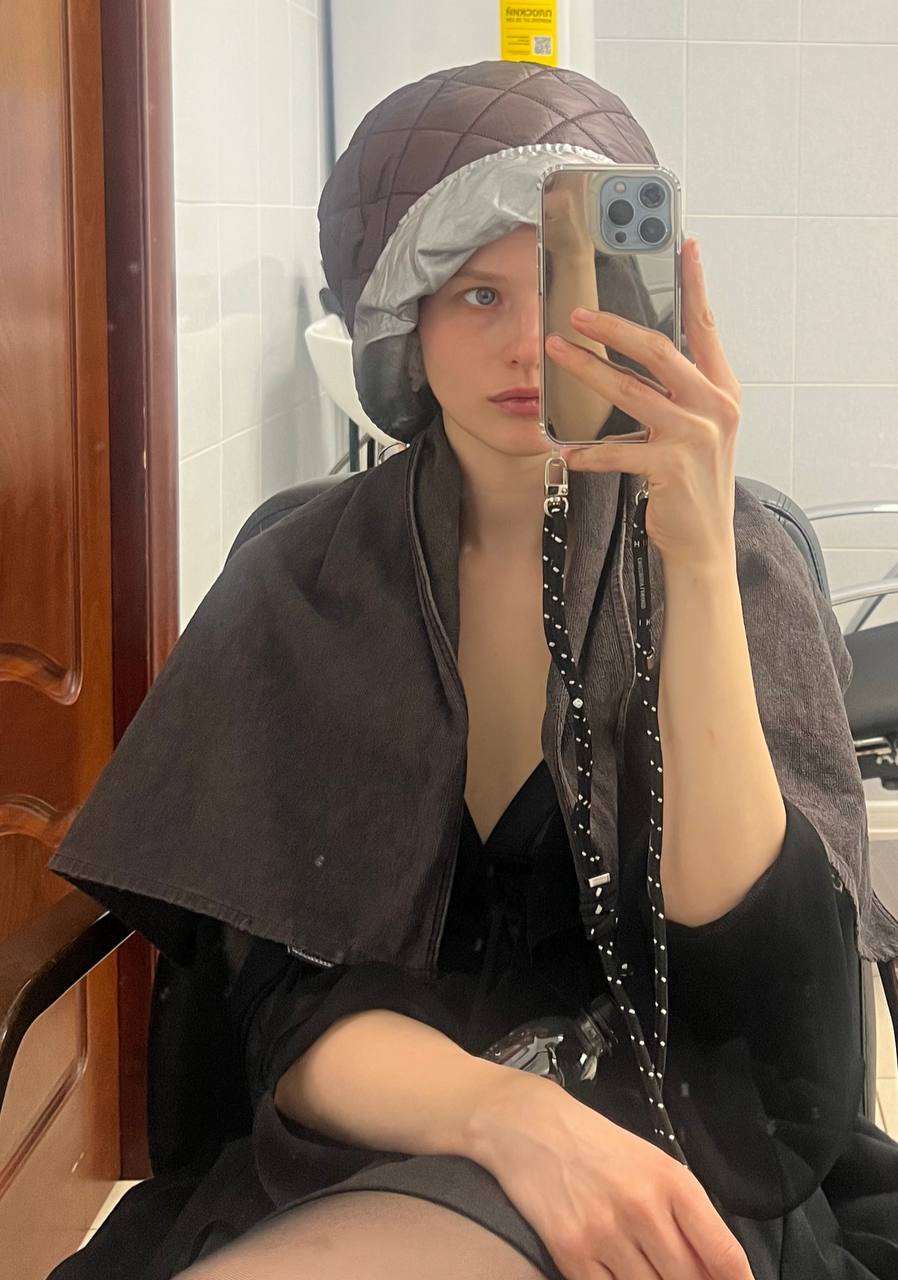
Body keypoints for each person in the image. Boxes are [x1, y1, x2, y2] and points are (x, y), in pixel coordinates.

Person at [47, 61, 898, 1280]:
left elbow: (763, 1016)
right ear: (403, 319)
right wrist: (513, 1119)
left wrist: (699, 563)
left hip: (688, 1151)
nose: (526, 342)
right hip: (375, 1141)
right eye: (476, 292)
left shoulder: (738, 557)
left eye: (564, 286)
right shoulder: (301, 581)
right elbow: (281, 1006)